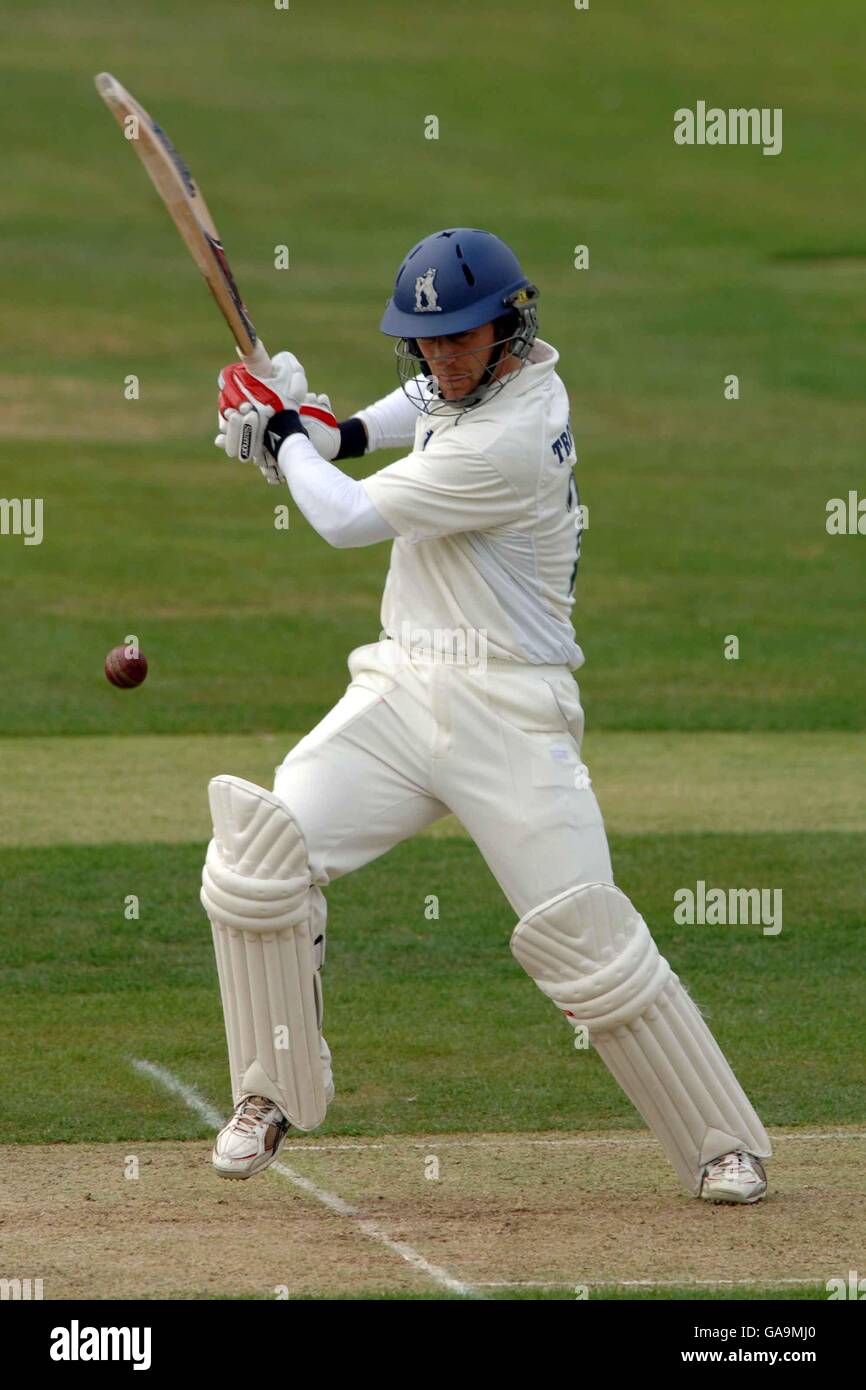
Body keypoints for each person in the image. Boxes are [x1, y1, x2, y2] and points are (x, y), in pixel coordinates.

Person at [201, 227, 770, 1204]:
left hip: (510, 705)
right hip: (399, 686)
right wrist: (302, 417)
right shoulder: (455, 381)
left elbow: (339, 517)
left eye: (460, 338)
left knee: (584, 938)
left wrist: (280, 435)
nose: (440, 357)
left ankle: (723, 1142)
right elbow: (360, 434)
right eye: (425, 340)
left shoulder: (513, 435)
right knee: (258, 853)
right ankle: (267, 1091)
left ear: (509, 329)